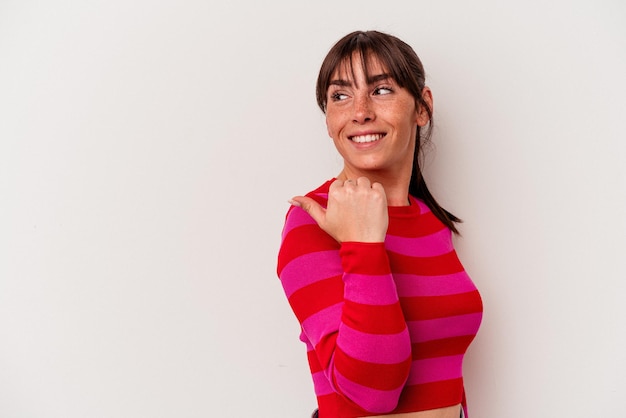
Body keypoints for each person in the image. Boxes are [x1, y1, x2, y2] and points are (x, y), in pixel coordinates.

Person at [277, 30, 483, 418]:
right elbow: (371, 393)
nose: (360, 112)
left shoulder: (429, 221)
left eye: (381, 90)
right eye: (340, 96)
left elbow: (445, 373)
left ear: (422, 107)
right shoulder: (313, 222)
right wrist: (364, 245)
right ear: (328, 119)